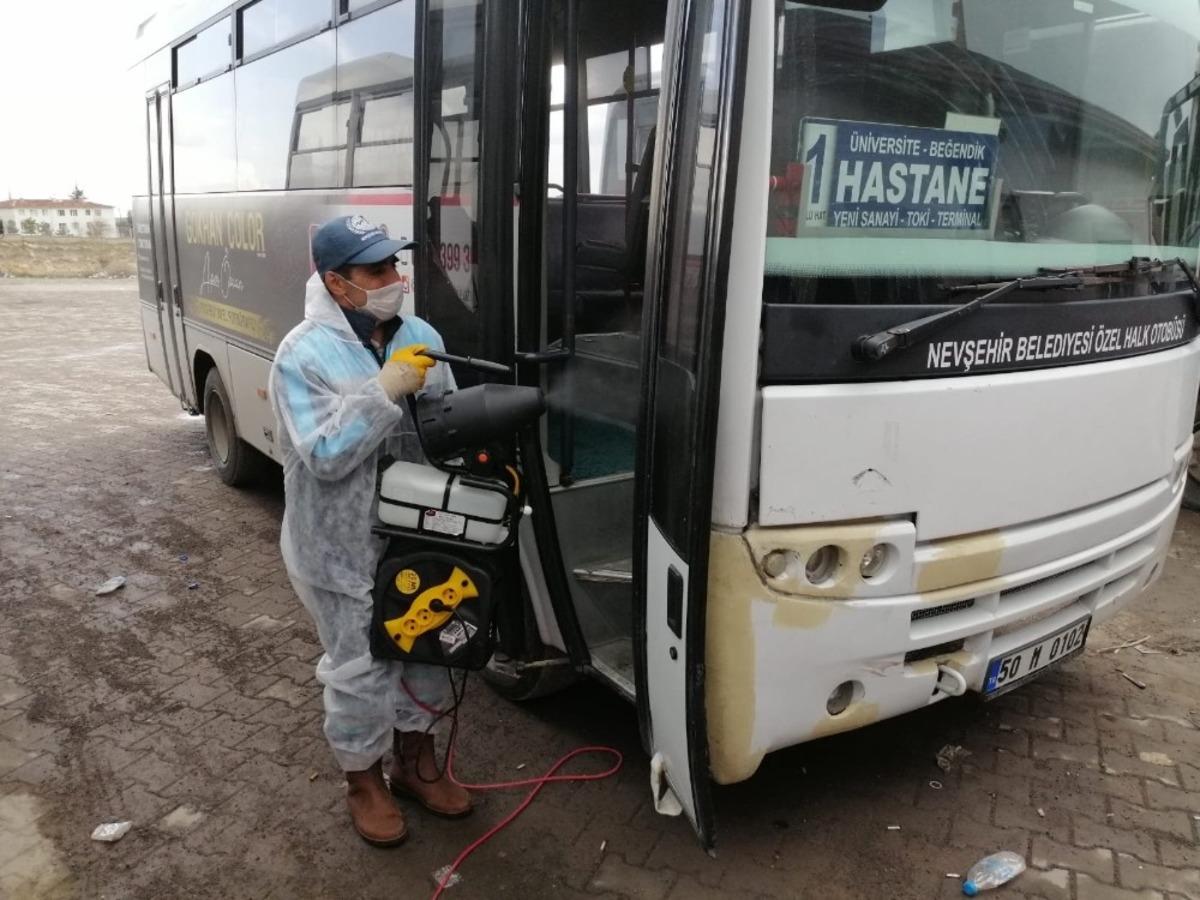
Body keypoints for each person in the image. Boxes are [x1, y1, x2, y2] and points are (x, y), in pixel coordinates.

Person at [269, 214, 472, 847]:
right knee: (361, 665)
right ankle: (364, 779)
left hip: (421, 533)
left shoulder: (421, 333)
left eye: (395, 265)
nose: (394, 279)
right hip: (340, 547)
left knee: (429, 645)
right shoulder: (300, 355)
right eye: (376, 271)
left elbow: (450, 425)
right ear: (336, 282)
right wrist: (384, 391)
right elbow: (324, 454)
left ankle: (415, 762)